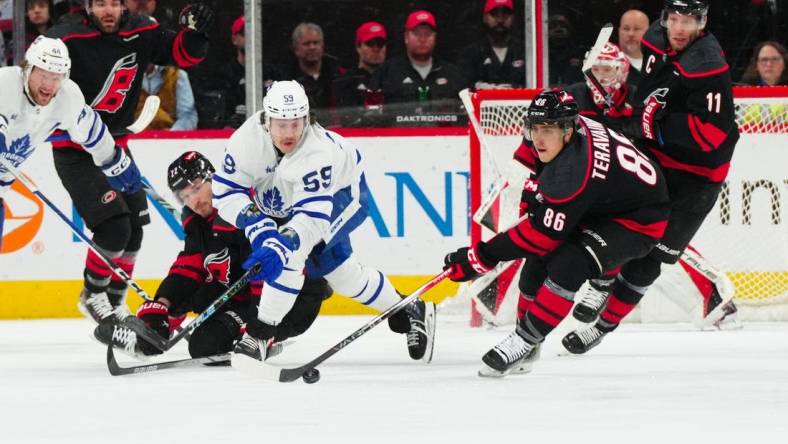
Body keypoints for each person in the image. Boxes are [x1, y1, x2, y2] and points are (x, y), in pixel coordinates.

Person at [443, 89, 670, 377]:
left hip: (638, 219)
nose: (538, 138)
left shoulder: (574, 171)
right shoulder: (567, 134)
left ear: (568, 130)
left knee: (569, 263)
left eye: (547, 130)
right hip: (603, 204)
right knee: (536, 263)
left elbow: (540, 235)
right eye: (534, 127)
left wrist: (481, 258)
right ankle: (528, 340)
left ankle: (524, 341)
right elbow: (531, 165)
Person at [211, 80, 437, 367]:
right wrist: (260, 228)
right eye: (282, 124)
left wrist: (282, 243)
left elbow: (311, 219)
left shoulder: (316, 152)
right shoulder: (246, 141)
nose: (290, 132)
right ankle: (410, 306)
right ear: (267, 121)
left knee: (302, 256)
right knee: (333, 270)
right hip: (287, 197)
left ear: (307, 118)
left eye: (297, 123)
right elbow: (225, 192)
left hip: (343, 195)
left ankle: (261, 334)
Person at [562, 0, 740, 354]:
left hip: (698, 176)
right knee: (616, 213)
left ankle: (604, 326)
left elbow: (712, 135)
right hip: (658, 156)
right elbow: (654, 87)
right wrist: (636, 109)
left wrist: (657, 124)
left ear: (701, 24)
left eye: (688, 22)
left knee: (651, 257)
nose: (678, 28)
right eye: (674, 19)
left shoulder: (709, 67)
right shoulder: (656, 38)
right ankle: (601, 282)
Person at [46, 0, 212, 325]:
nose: (107, 11)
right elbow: (35, 79)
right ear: (88, 6)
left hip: (115, 146)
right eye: (99, 4)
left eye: (113, 3)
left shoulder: (142, 29)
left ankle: (115, 301)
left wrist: (196, 32)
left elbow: (182, 54)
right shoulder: (65, 38)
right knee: (114, 227)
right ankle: (93, 294)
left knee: (135, 229)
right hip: (75, 149)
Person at [94, 151, 333, 359]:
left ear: (214, 178)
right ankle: (151, 335)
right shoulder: (197, 221)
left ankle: (265, 341)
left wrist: (258, 328)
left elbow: (268, 272)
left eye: (196, 189)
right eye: (184, 196)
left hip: (288, 302)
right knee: (190, 319)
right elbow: (190, 267)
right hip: (241, 297)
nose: (193, 201)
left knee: (205, 345)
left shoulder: (246, 207)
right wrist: (163, 304)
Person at [0, 36, 141, 252]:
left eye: (57, 77)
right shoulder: (6, 84)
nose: (49, 84)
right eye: (44, 75)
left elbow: (91, 131)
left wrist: (114, 160)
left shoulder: (67, 96)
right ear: (28, 70)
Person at [370, 10, 467, 125]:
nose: (422, 39)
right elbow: (372, 116)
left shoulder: (452, 73)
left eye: (427, 34)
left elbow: (465, 116)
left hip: (444, 140)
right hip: (397, 140)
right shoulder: (386, 72)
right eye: (417, 33)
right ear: (406, 37)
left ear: (435, 37)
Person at [564, 42, 635, 131]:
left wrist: (622, 122)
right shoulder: (572, 95)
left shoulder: (635, 97)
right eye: (595, 69)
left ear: (620, 70)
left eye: (607, 69)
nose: (599, 77)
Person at [283, 22, 345, 125]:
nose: (312, 47)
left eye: (316, 43)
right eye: (306, 44)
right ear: (296, 48)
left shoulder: (338, 75)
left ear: (323, 46)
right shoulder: (287, 79)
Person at [458, 0, 526, 89]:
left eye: (505, 14)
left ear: (513, 18)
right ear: (485, 17)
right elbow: (463, 88)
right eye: (495, 14)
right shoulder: (472, 53)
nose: (500, 20)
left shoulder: (525, 51)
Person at [332, 21, 387, 127]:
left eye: (380, 44)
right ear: (358, 47)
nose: (376, 49)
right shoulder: (345, 82)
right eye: (370, 44)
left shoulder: (394, 78)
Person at [137, 63, 198, 130]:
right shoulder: (127, 77)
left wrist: (172, 134)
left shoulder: (177, 75)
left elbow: (187, 115)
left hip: (170, 135)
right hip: (132, 137)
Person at [617, 9, 649, 87]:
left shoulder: (660, 65)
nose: (631, 34)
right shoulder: (607, 64)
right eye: (626, 29)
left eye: (637, 29)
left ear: (649, 32)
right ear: (619, 32)